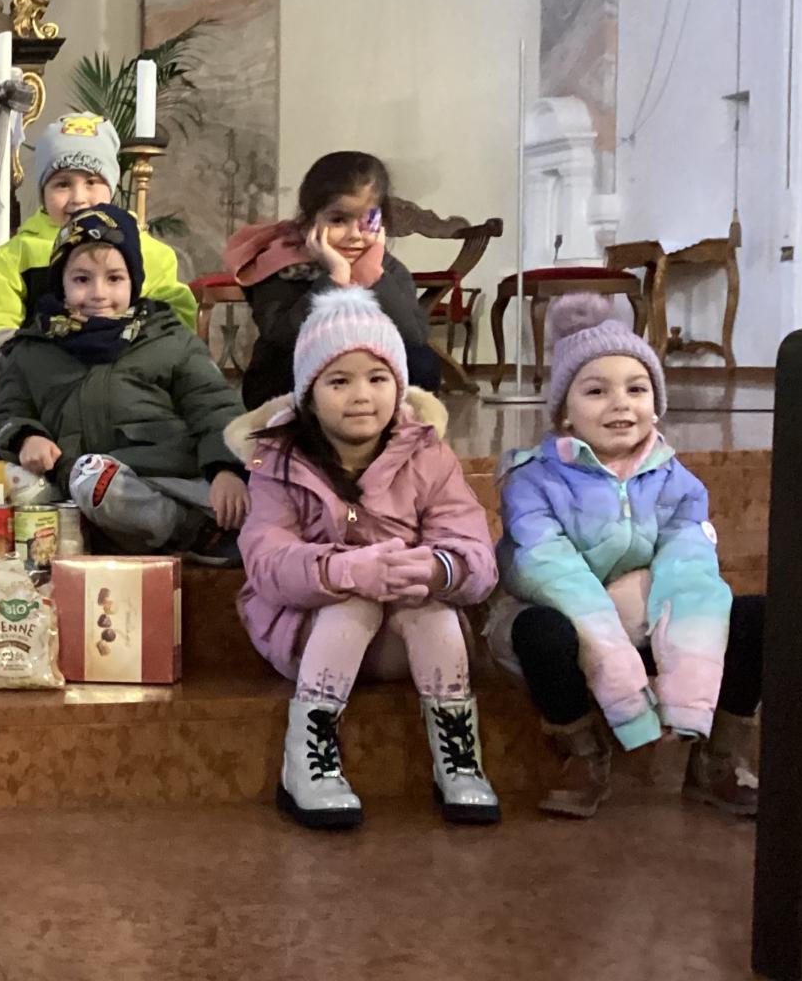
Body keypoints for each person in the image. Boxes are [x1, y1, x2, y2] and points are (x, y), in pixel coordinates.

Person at [229, 288, 500, 831]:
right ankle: (308, 758)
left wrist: (433, 568)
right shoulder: (278, 460)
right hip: (304, 631)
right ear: (308, 393)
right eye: (339, 380)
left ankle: (458, 758)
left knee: (434, 609)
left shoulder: (428, 455)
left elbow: (475, 555)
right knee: (354, 605)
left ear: (398, 388)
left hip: (401, 642)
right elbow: (266, 559)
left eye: (378, 379)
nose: (361, 396)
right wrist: (347, 571)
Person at [486, 295, 759, 820]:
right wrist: (619, 668)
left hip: (641, 618)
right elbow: (550, 569)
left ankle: (715, 758)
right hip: (567, 618)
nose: (621, 404)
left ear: (655, 404)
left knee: (754, 617)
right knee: (541, 632)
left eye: (636, 389)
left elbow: (690, 572)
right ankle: (583, 751)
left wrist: (685, 695)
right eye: (595, 391)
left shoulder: (678, 481)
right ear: (564, 412)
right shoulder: (532, 480)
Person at [0, 204, 245, 563]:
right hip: (81, 486)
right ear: (60, 283)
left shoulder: (168, 338)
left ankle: (195, 530)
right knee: (33, 483)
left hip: (170, 482)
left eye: (114, 279)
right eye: (81, 279)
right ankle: (184, 535)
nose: (98, 293)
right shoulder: (32, 349)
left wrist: (226, 469)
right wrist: (26, 437)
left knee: (96, 481)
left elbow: (215, 408)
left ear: (134, 282)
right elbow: (9, 412)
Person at [0, 112, 198, 381]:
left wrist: (142, 360)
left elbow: (175, 320)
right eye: (62, 184)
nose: (79, 198)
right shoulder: (13, 258)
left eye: (91, 182)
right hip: (41, 384)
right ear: (43, 191)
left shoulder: (150, 253)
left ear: (111, 187)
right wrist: (27, 364)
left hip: (131, 380)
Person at [224, 150, 442, 410]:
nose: (354, 235)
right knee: (279, 367)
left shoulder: (385, 268)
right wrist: (335, 277)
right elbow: (283, 336)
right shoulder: (280, 263)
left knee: (423, 362)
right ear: (309, 220)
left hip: (368, 389)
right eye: (338, 220)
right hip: (292, 387)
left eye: (367, 221)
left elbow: (414, 335)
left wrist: (370, 275)